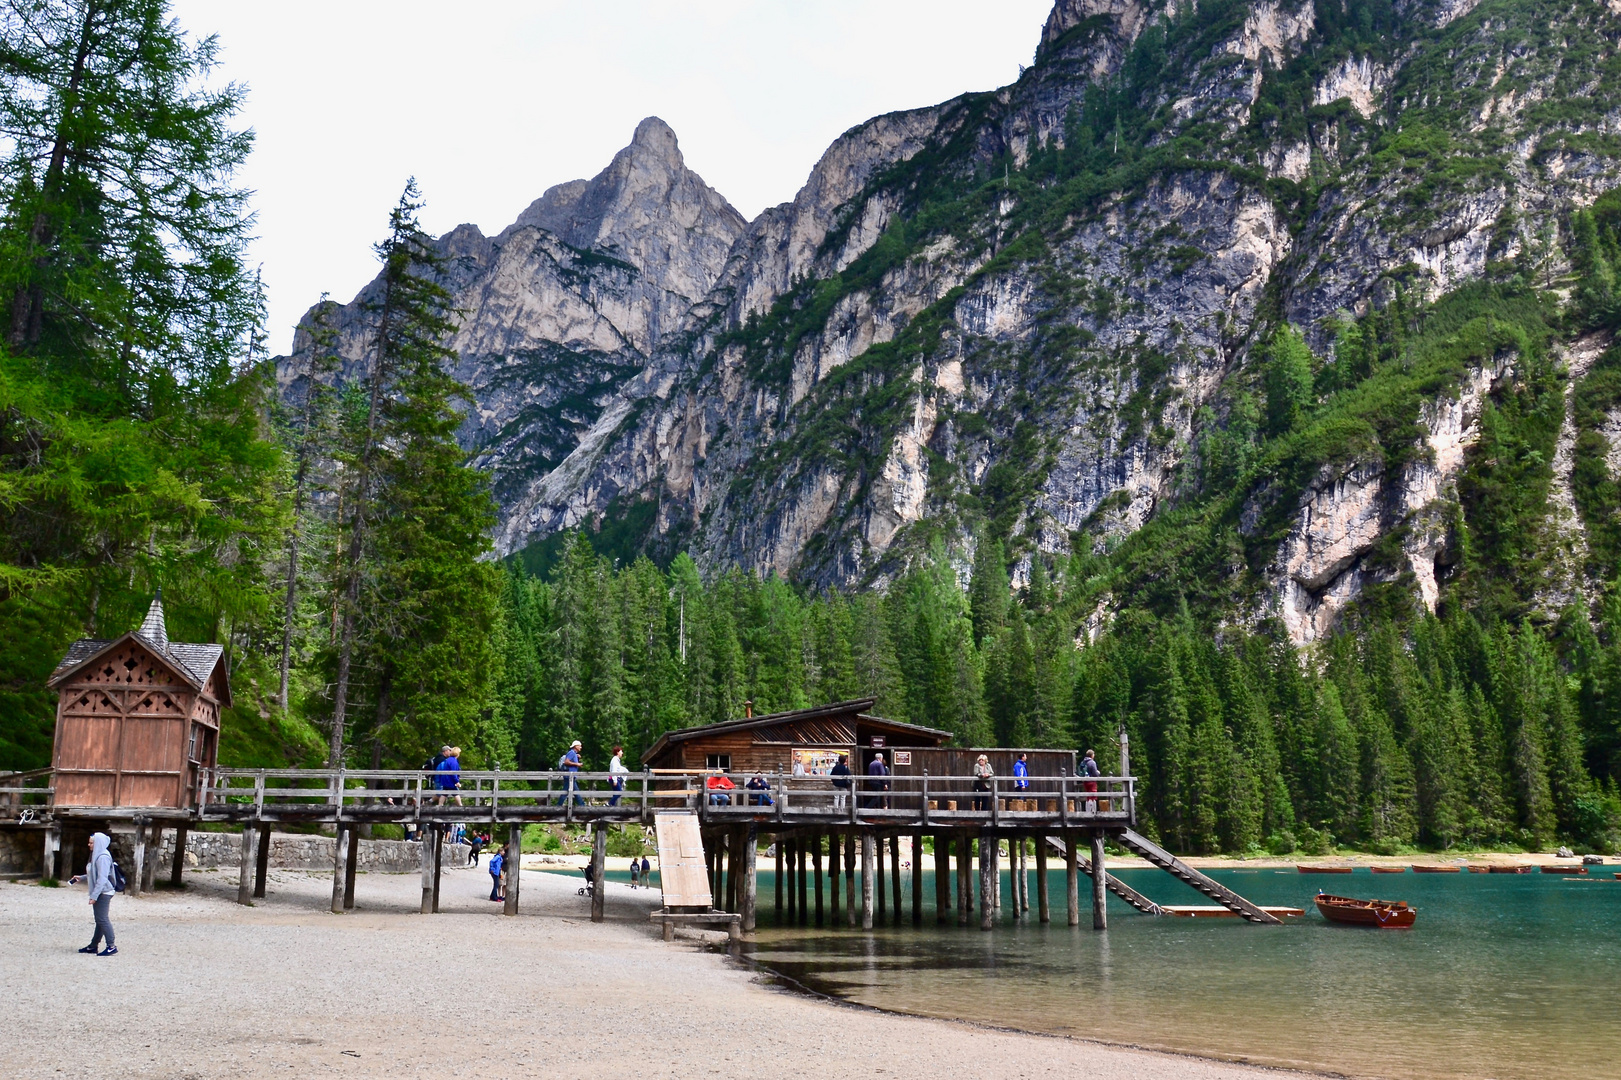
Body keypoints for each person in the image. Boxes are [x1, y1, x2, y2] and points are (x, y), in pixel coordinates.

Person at [68, 831, 117, 955]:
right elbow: (95, 873)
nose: (89, 845)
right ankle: (93, 946)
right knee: (100, 920)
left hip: (104, 892)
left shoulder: (102, 857)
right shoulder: (96, 855)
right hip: (100, 891)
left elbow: (102, 878)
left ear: (98, 843)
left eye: (91, 843)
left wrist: (94, 896)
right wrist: (82, 877)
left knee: (102, 919)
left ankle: (111, 945)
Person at [558, 740, 583, 805]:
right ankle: (583, 807)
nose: (581, 747)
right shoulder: (571, 753)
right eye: (579, 746)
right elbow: (566, 762)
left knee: (572, 793)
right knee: (570, 793)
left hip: (571, 776)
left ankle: (583, 807)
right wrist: (577, 764)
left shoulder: (573, 753)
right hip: (569, 776)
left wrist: (577, 758)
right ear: (575, 746)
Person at [1080, 748, 1101, 812]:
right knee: (1093, 796)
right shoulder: (1092, 762)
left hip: (1085, 781)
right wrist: (1098, 773)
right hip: (1092, 781)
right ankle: (1093, 811)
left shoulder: (1083, 762)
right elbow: (1095, 773)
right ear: (1091, 755)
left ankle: (1087, 811)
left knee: (1088, 796)